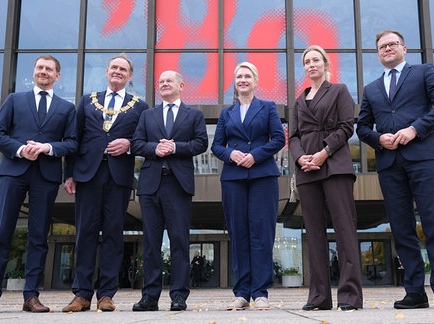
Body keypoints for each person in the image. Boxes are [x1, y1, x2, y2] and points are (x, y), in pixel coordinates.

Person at [356, 30, 434, 310]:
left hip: (424, 159)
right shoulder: (372, 89)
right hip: (390, 165)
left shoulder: (424, 72)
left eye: (392, 44)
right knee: (401, 229)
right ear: (377, 54)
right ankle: (414, 291)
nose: (387, 49)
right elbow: (362, 127)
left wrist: (415, 129)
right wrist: (378, 139)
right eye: (381, 47)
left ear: (404, 48)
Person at [0, 55, 78, 314]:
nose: (44, 72)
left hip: (46, 175)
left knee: (39, 236)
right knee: (1, 233)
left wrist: (47, 147)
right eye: (40, 67)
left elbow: (73, 143)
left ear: (57, 76)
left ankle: (31, 296)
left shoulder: (66, 108)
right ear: (34, 72)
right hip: (13, 172)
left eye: (49, 69)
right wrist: (19, 149)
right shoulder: (15, 100)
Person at [62, 53, 149, 313]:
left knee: (113, 234)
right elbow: (73, 137)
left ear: (130, 76)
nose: (118, 72)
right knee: (85, 232)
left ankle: (107, 294)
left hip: (118, 176)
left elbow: (144, 138)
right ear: (107, 71)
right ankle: (81, 294)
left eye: (123, 69)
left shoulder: (139, 106)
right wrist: (69, 173)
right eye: (114, 67)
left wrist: (130, 144)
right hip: (87, 175)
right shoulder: (87, 101)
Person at [288, 46, 363, 312]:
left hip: (334, 164)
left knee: (344, 229)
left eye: (315, 60)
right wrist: (300, 159)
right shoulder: (298, 100)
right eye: (306, 61)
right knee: (314, 233)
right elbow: (293, 136)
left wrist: (324, 152)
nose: (311, 65)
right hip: (307, 170)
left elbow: (347, 126)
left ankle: (350, 296)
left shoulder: (339, 90)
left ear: (325, 64)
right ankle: (319, 297)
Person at [131, 70, 208, 312]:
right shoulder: (147, 115)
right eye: (161, 81)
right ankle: (150, 296)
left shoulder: (193, 114)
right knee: (151, 243)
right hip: (151, 184)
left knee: (179, 241)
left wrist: (175, 147)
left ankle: (178, 295)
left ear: (181, 85)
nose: (164, 84)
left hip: (178, 185)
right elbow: (136, 144)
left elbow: (201, 143)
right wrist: (156, 148)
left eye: (169, 81)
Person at [211, 62, 285, 311]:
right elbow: (217, 146)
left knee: (261, 234)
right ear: (235, 82)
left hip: (262, 176)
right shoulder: (226, 113)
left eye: (247, 76)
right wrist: (231, 154)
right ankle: (242, 292)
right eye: (239, 76)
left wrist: (255, 155)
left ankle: (260, 292)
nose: (243, 80)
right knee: (239, 234)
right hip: (233, 178)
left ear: (256, 80)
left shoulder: (268, 107)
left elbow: (278, 139)